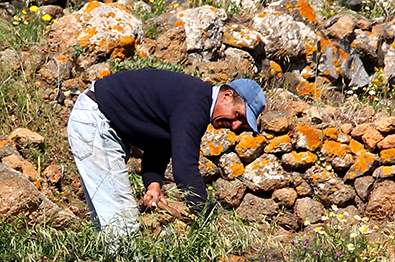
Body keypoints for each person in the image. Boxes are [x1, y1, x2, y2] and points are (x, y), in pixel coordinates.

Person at [66, 69, 266, 237]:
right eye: (237, 115)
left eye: (242, 125)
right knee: (122, 221)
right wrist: (210, 220)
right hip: (97, 121)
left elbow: (159, 143)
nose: (235, 125)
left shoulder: (195, 100)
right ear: (227, 95)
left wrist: (154, 185)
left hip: (97, 121)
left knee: (109, 221)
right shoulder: (195, 104)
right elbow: (185, 171)